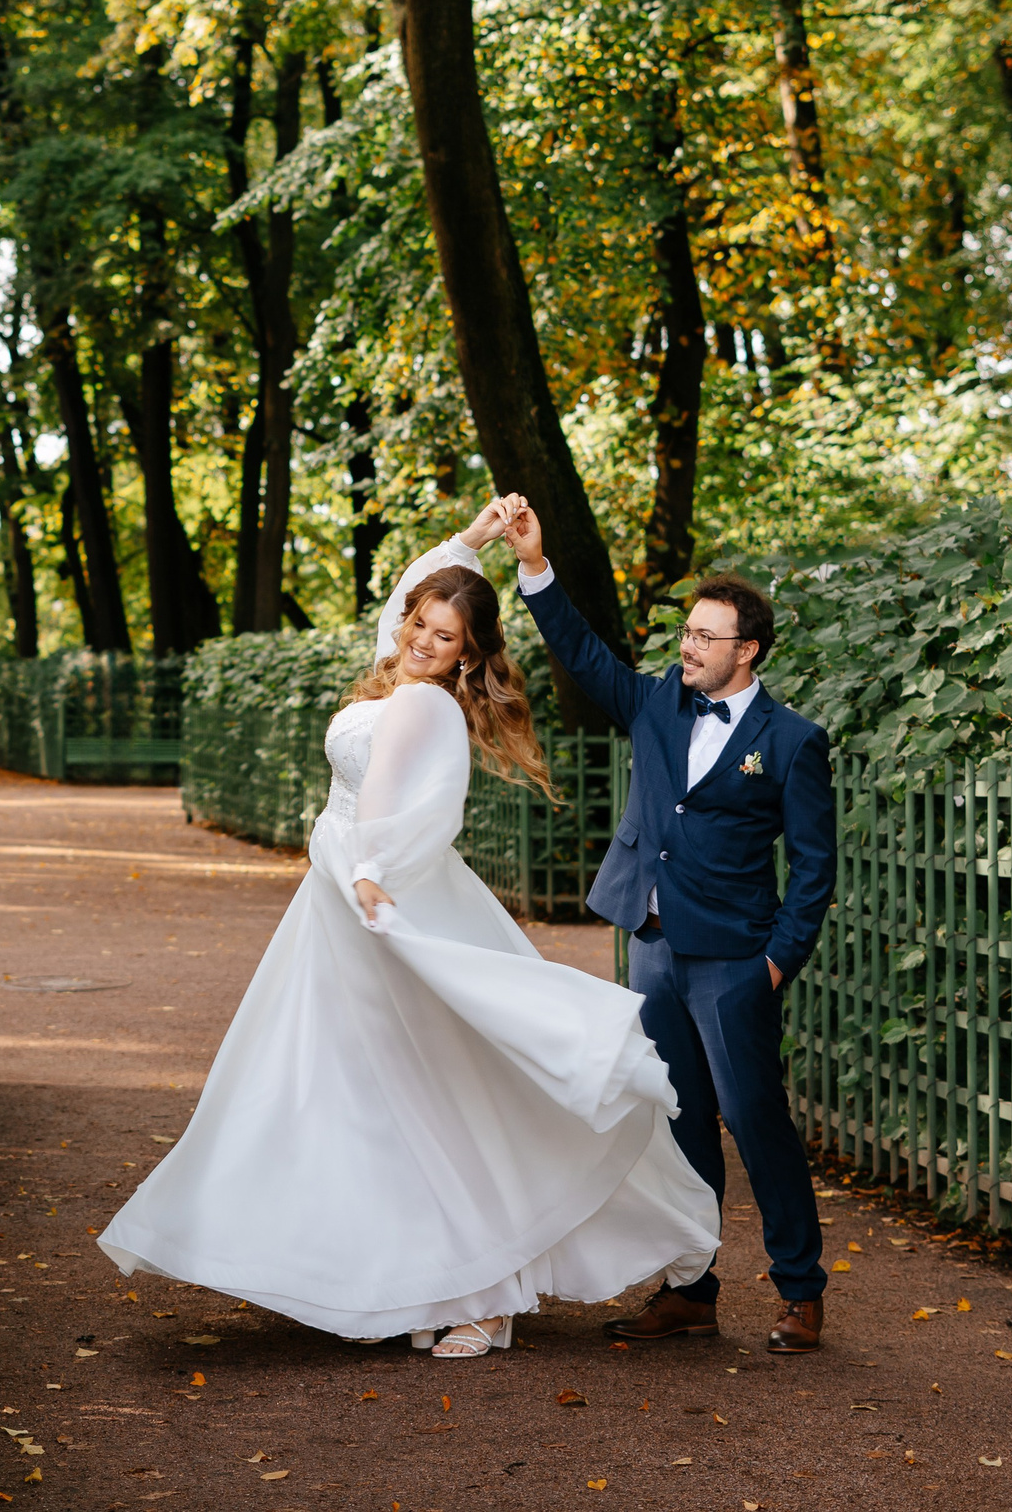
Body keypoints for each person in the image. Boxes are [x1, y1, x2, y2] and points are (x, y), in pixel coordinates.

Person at [97, 499, 720, 1359]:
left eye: (445, 635)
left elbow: (413, 807)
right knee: (367, 1094)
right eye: (422, 625)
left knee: (434, 1092)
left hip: (381, 903)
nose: (424, 640)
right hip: (341, 910)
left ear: (469, 654)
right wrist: (473, 535)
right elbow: (400, 599)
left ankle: (491, 1296)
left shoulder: (426, 705)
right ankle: (425, 1276)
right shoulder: (396, 670)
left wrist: (367, 868)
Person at [501, 496, 837, 1353]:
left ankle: (802, 1291)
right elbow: (578, 651)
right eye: (686, 632)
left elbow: (814, 867)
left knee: (756, 1123)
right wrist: (535, 566)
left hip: (735, 963)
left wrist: (778, 962)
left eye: (705, 637)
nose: (688, 646)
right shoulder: (654, 705)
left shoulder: (792, 741)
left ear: (748, 650)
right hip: (652, 950)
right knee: (675, 1124)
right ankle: (690, 1290)